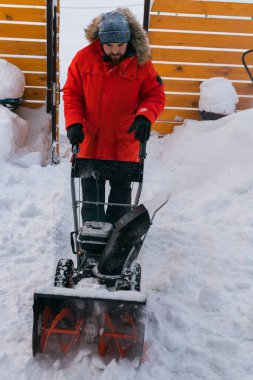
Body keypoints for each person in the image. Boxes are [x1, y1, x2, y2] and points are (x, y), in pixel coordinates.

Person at [63, 8, 165, 225]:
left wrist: (145, 116)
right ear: (100, 41)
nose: (115, 50)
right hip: (90, 141)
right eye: (109, 46)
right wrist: (74, 123)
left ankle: (116, 240)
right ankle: (91, 240)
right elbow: (72, 93)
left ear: (128, 40)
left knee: (121, 197)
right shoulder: (83, 59)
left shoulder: (142, 63)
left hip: (124, 142)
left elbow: (154, 94)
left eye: (120, 45)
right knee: (92, 198)